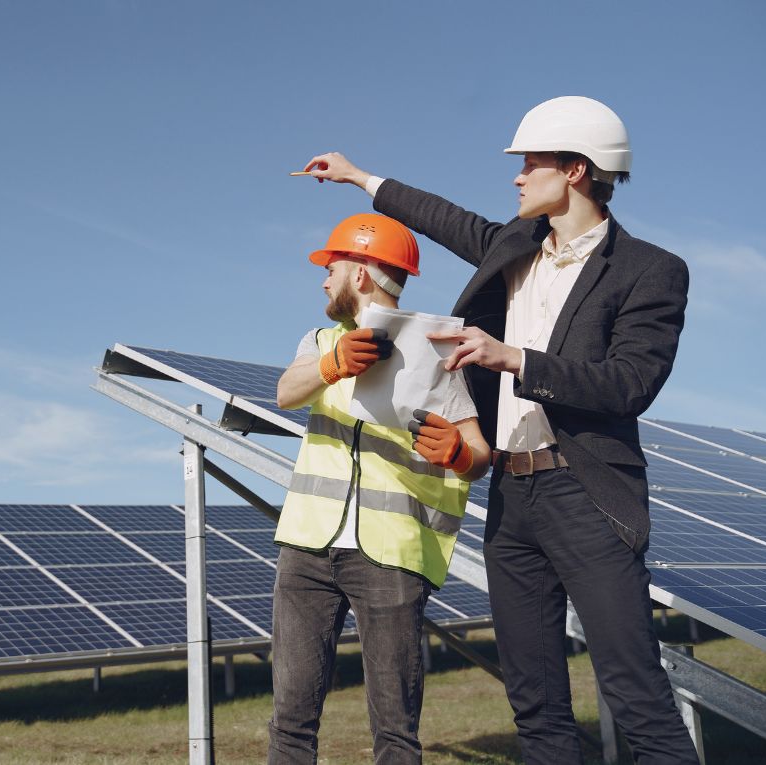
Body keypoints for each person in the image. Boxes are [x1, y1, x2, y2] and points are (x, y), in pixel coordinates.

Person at [301, 96, 699, 764]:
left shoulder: (649, 270)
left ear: (575, 170)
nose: (516, 177)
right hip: (512, 504)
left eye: (530, 164)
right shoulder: (513, 246)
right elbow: (441, 216)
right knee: (536, 705)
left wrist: (513, 357)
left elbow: (631, 383)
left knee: (636, 697)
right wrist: (358, 176)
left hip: (587, 497)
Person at [270, 212, 490, 764]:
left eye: (332, 266)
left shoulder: (438, 351)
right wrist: (331, 365)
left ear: (362, 274)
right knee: (290, 722)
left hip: (391, 554)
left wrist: (461, 454)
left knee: (395, 731)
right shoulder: (319, 340)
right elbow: (285, 393)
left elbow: (478, 452)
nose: (324, 279)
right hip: (307, 549)